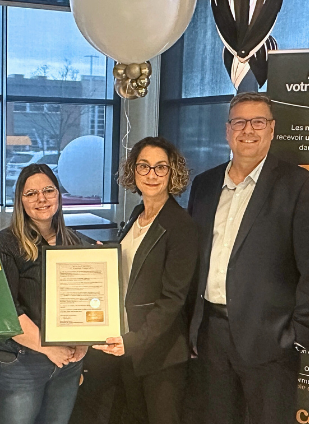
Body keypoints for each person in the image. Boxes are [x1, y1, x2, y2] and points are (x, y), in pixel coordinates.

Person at [188, 92, 309, 424]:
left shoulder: (300, 186)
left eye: (258, 122)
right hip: (210, 336)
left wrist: (299, 336)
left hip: (271, 342)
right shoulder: (204, 185)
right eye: (239, 122)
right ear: (227, 130)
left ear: (272, 129)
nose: (248, 130)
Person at [93, 136, 197, 424]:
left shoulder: (181, 225)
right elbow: (133, 267)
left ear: (172, 172)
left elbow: (173, 299)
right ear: (133, 171)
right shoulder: (138, 214)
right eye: (144, 166)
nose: (152, 174)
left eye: (160, 167)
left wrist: (136, 341)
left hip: (161, 354)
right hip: (130, 344)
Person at [0, 163, 87, 424]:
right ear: (20, 201)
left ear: (59, 195)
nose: (41, 198)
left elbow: (85, 301)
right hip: (20, 363)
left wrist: (84, 343)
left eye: (48, 190)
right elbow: (7, 311)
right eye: (31, 193)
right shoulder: (5, 244)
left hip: (67, 362)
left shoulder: (76, 242)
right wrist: (49, 348)